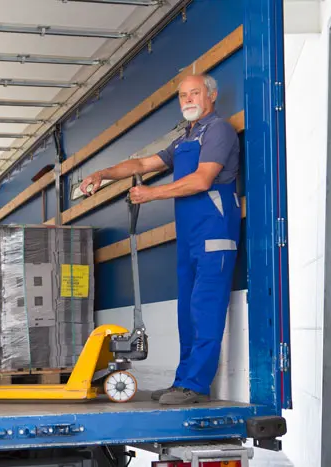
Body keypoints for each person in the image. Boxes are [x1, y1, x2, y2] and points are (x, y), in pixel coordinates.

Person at [79, 74, 241, 405]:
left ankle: (196, 385)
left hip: (214, 235)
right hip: (190, 239)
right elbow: (142, 163)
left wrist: (151, 194)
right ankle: (183, 380)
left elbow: (201, 180)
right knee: (187, 313)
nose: (188, 101)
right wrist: (103, 174)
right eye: (182, 96)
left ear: (211, 96)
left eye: (194, 93)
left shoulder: (218, 131)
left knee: (205, 310)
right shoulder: (184, 139)